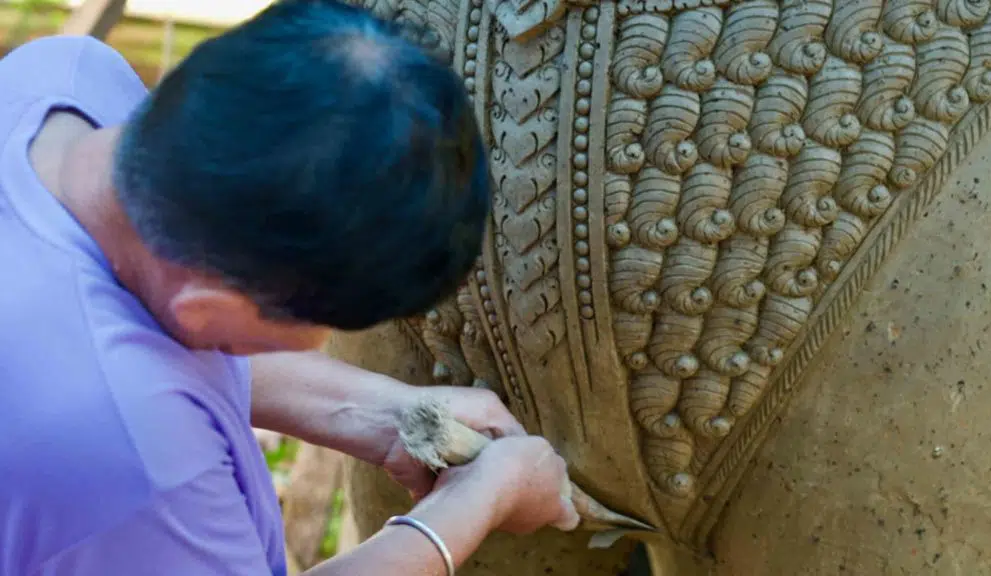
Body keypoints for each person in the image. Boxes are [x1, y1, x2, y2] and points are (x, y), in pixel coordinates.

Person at [0, 1, 580, 574]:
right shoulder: (135, 466)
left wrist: (381, 412)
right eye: (288, 333)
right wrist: (470, 507)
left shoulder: (62, 76)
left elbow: (123, 329)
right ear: (206, 309)